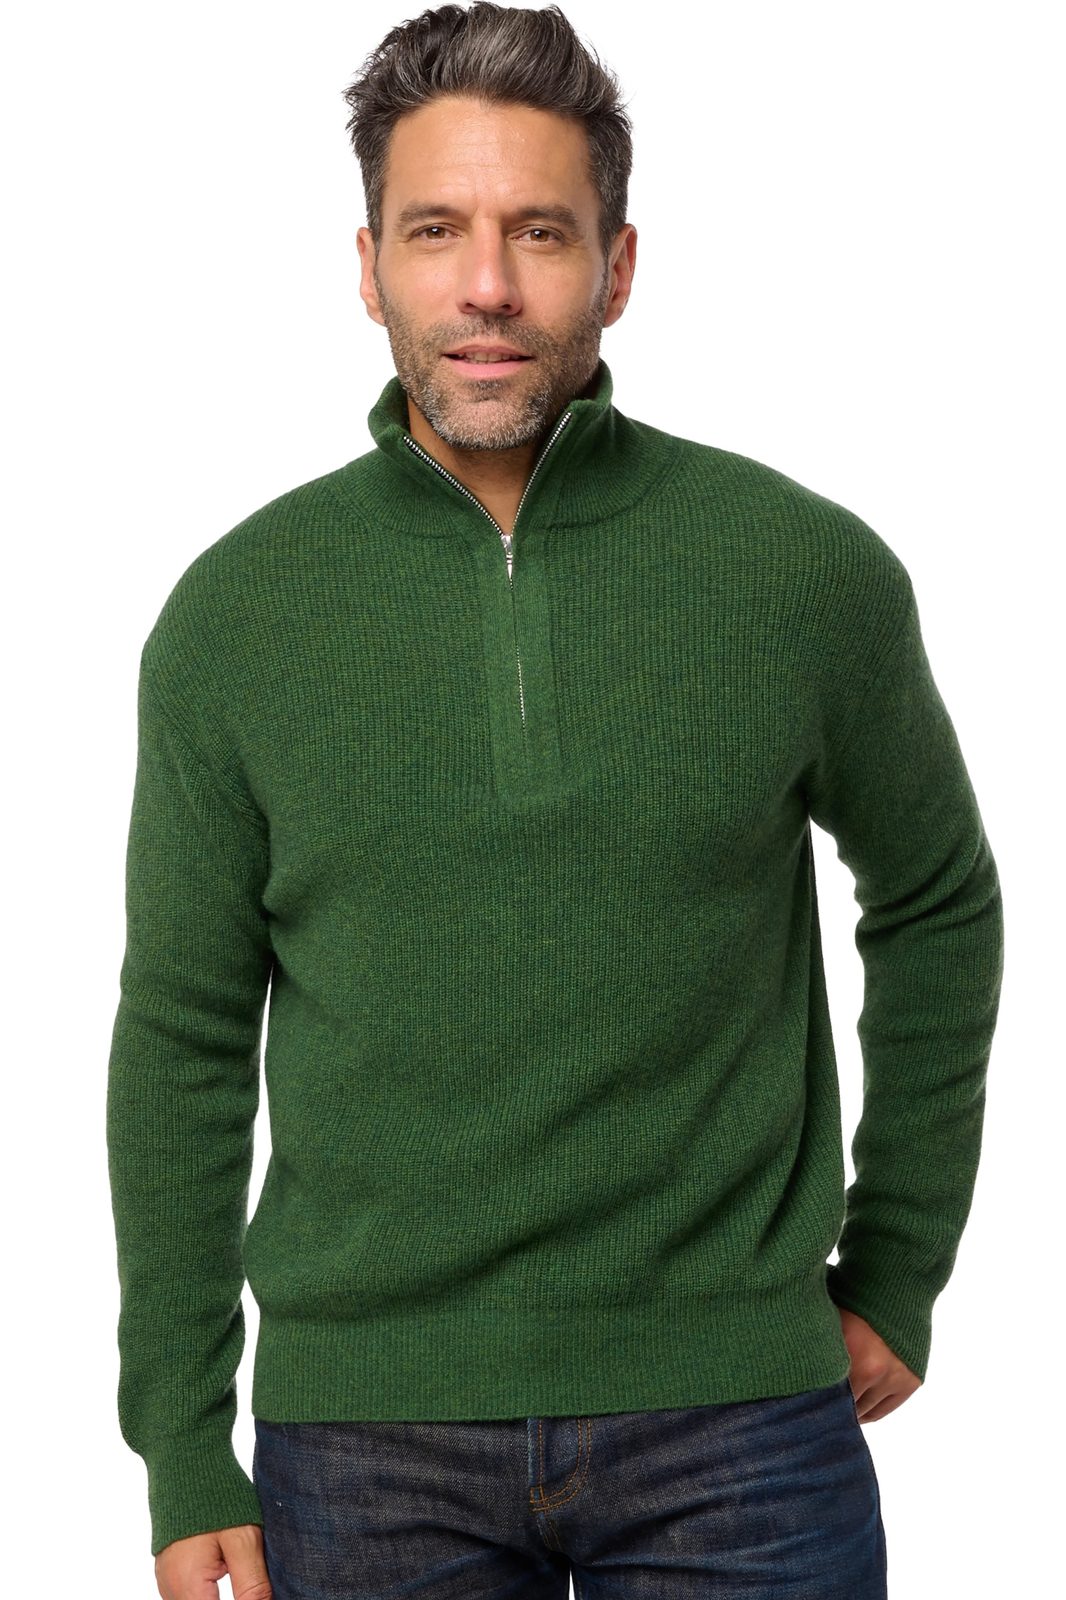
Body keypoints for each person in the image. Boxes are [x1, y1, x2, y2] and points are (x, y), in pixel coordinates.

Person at [105, 4, 1004, 1597]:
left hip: (739, 1419)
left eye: (538, 231)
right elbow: (182, 1030)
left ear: (617, 265)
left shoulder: (798, 571)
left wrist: (901, 1257)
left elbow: (934, 899)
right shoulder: (238, 614)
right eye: (434, 231)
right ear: (368, 266)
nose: (487, 287)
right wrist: (180, 1440)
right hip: (365, 1443)